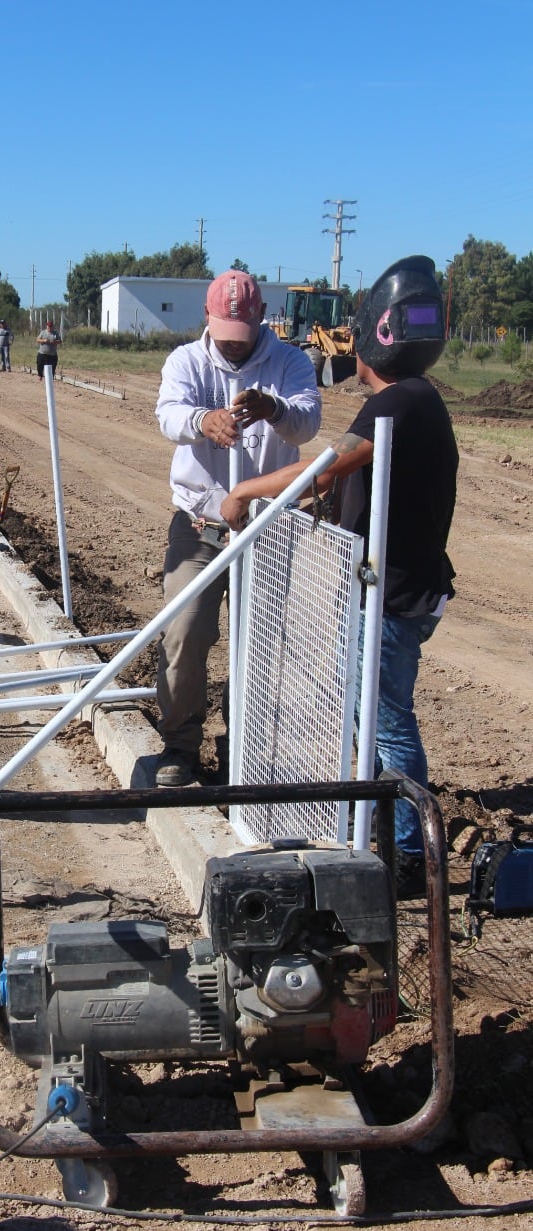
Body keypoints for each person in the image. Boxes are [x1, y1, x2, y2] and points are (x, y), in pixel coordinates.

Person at [220, 256, 457, 893]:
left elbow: (328, 466)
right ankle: (388, 828)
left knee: (385, 719)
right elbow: (347, 480)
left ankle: (409, 854)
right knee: (373, 714)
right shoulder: (419, 399)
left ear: (374, 336)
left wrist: (245, 491)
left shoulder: (399, 403)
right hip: (406, 584)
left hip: (393, 593)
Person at [153, 269, 322, 787]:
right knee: (184, 631)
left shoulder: (290, 361)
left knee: (261, 643)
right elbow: (167, 414)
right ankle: (179, 746)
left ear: (259, 322)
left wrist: (272, 408)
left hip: (267, 528)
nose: (232, 348)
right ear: (208, 319)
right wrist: (203, 420)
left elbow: (308, 424)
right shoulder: (186, 360)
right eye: (224, 337)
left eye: (241, 338)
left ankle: (244, 749)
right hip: (200, 523)